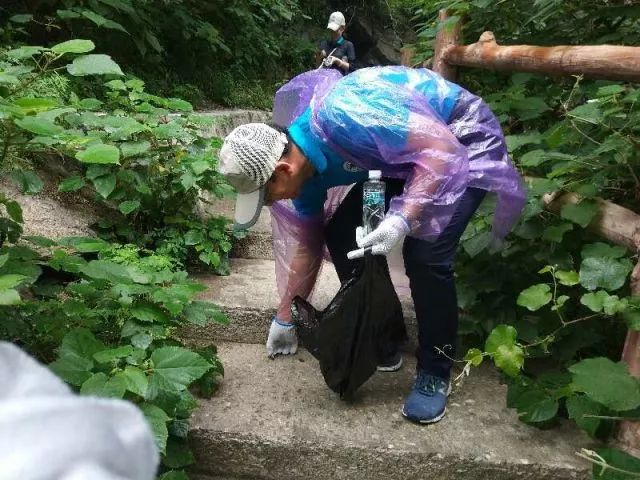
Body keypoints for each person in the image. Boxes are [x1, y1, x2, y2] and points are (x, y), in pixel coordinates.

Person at [218, 66, 525, 424]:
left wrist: (402, 217)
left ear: (283, 171)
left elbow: (441, 150)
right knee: (342, 231)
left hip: (461, 138)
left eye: (267, 196)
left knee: (425, 254)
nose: (271, 204)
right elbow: (308, 244)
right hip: (407, 160)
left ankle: (435, 369)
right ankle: (385, 334)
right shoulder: (305, 179)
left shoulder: (345, 118)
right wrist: (285, 315)